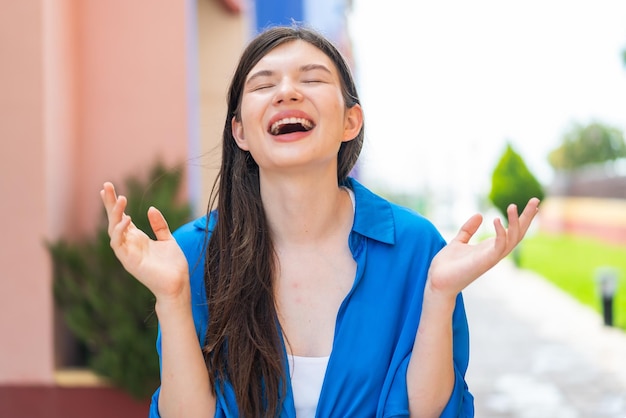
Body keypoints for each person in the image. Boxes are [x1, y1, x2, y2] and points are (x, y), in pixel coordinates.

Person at [101, 25, 539, 418]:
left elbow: (430, 412)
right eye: (263, 84)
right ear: (240, 132)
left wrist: (440, 295)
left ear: (351, 121)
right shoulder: (191, 255)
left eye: (311, 79)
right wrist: (173, 298)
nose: (287, 92)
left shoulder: (414, 247)